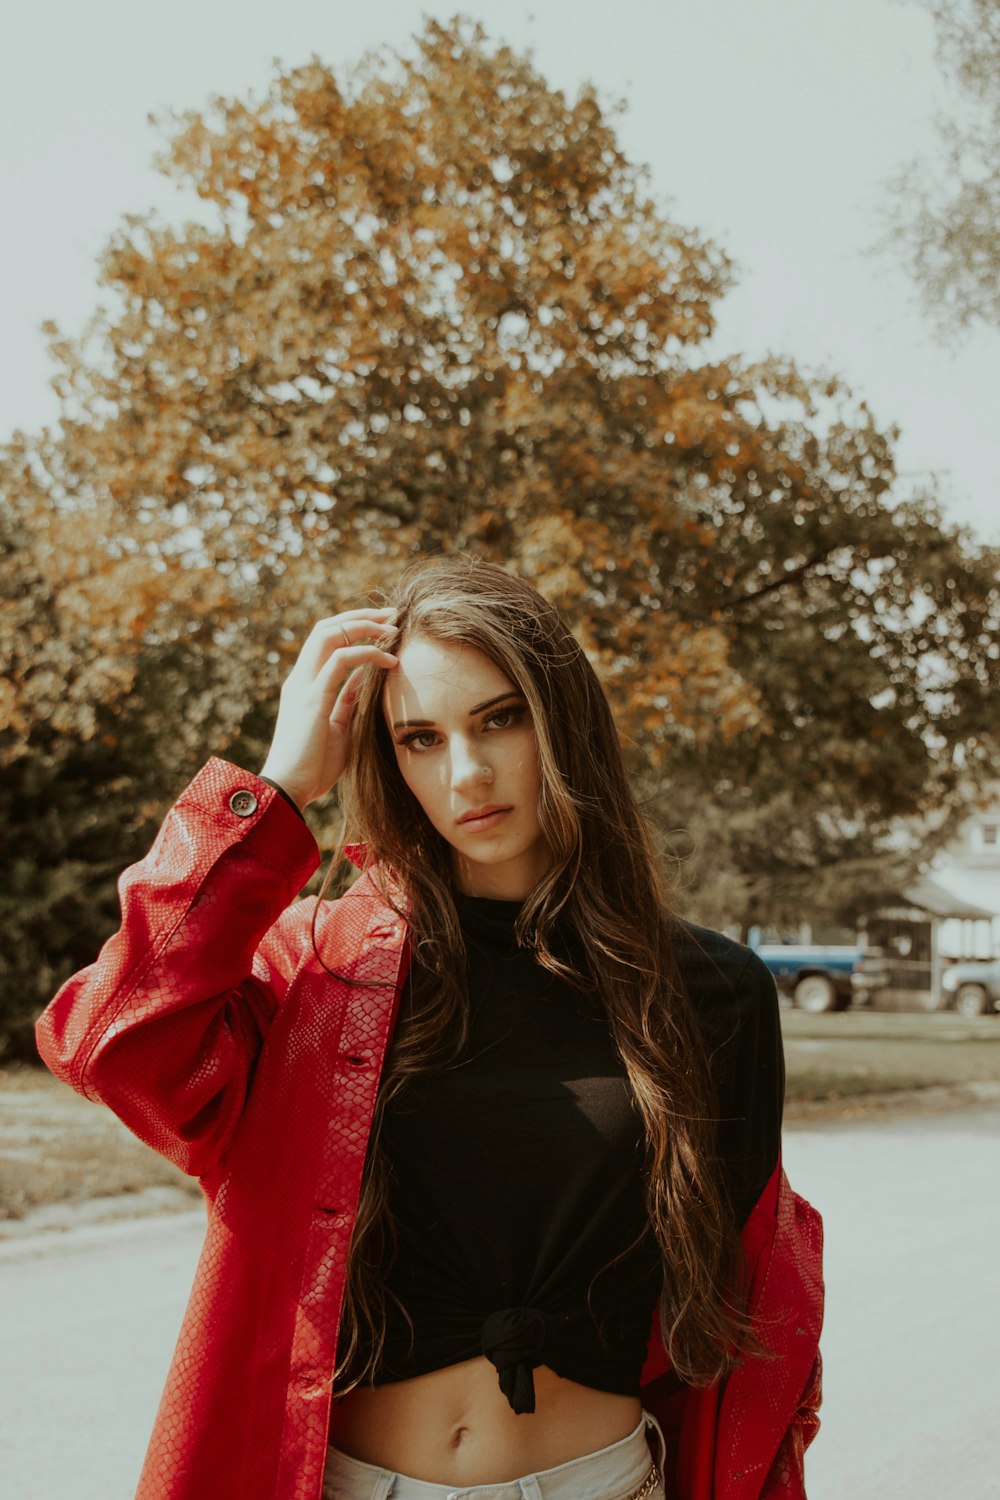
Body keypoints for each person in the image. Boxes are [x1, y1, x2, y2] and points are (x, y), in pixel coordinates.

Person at [35, 556, 823, 1500]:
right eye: (420, 737)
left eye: (500, 717)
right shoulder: (317, 974)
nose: (468, 772)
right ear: (387, 757)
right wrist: (277, 790)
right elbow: (106, 1039)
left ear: (562, 719)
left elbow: (740, 1324)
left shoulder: (711, 993)